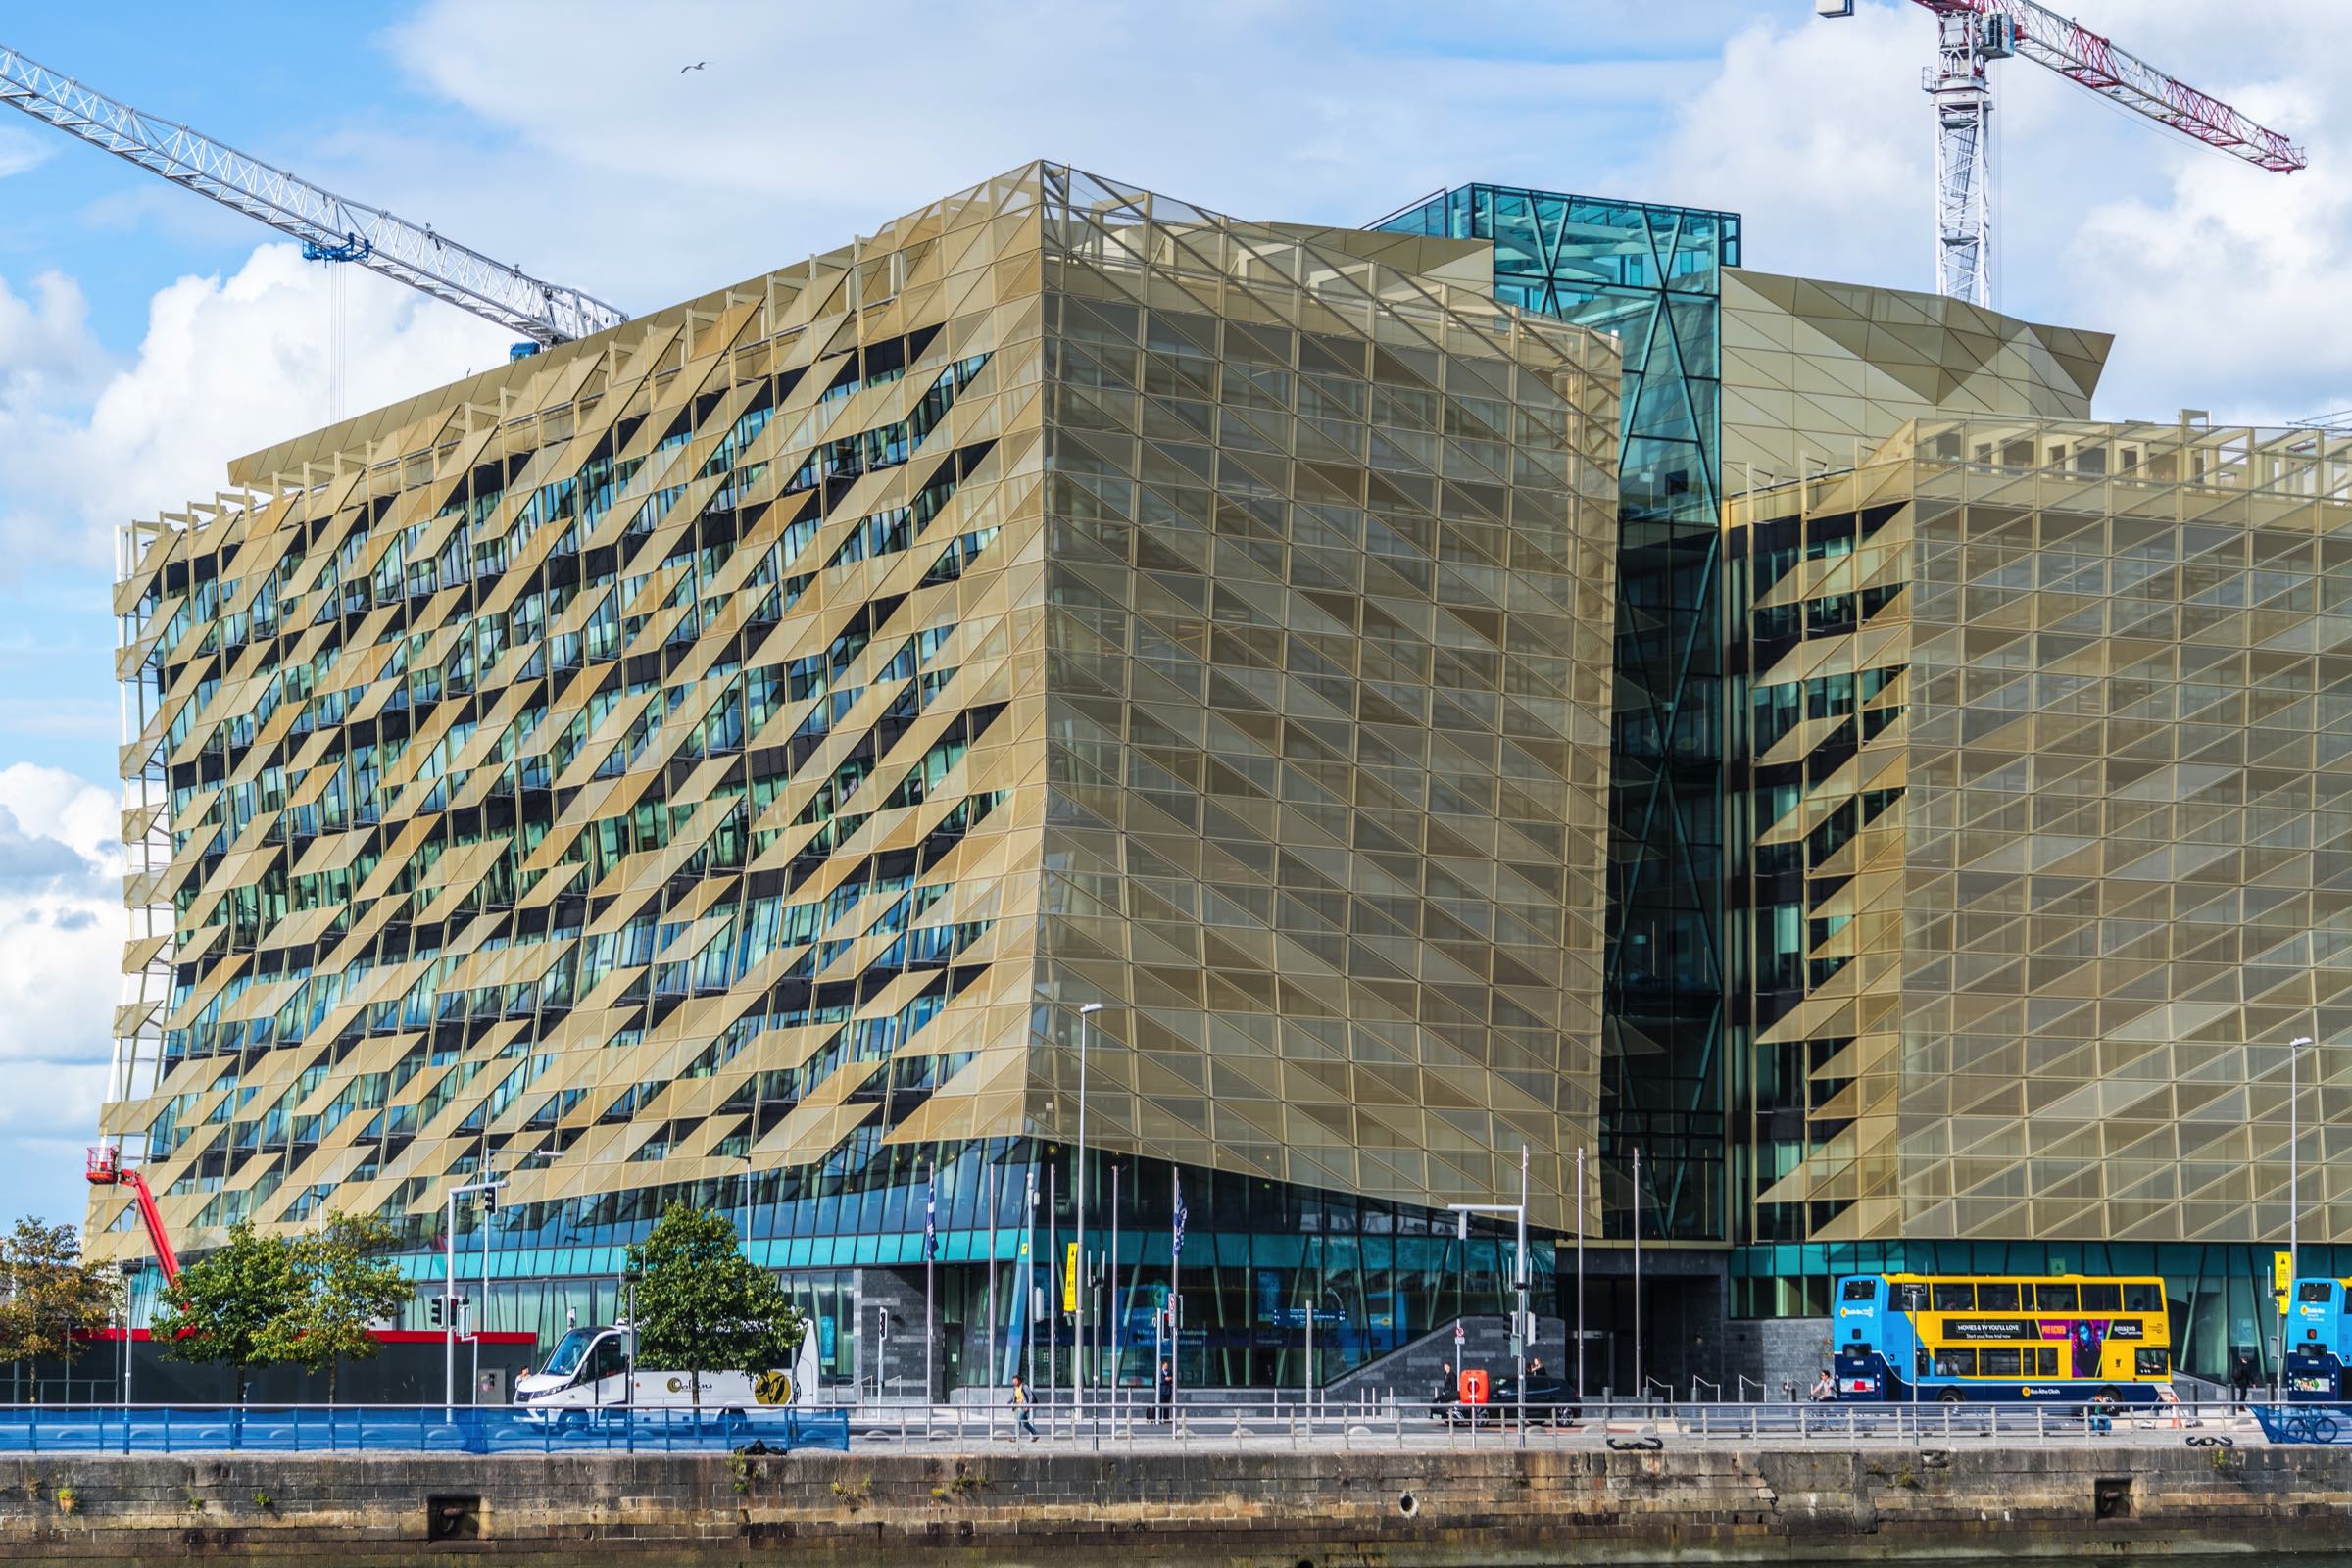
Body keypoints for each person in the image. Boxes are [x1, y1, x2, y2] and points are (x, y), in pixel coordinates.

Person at [1010, 1373, 1037, 1440]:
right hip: (1018, 1407)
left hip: (1024, 1407)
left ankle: (1014, 1437)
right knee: (1024, 1423)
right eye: (1013, 1381)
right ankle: (1035, 1434)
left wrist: (1028, 1406)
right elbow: (1012, 1397)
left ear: (1019, 1380)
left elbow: (1031, 1396)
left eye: (1015, 1381)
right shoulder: (1015, 1388)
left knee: (1019, 1420)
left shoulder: (1024, 1386)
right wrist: (1007, 1402)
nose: (1014, 1382)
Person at [1156, 1358, 1174, 1424]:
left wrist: (1169, 1379)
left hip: (1168, 1391)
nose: (1167, 1367)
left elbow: (1171, 1379)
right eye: (1165, 1365)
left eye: (1167, 1366)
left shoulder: (1169, 1372)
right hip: (1162, 1391)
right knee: (1161, 1405)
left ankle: (1166, 1419)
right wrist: (1165, 1380)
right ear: (1162, 1365)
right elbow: (1158, 1381)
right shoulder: (1159, 1372)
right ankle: (1160, 1418)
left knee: (1167, 1405)